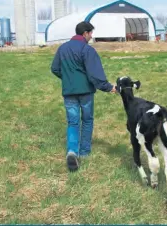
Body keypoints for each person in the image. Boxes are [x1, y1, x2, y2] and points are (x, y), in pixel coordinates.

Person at [51, 21, 116, 172]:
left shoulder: (62, 48)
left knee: (73, 123)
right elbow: (95, 75)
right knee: (87, 120)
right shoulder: (87, 50)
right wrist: (108, 87)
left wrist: (68, 78)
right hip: (86, 92)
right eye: (91, 33)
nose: (91, 36)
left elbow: (55, 68)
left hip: (69, 92)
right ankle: (84, 152)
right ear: (85, 33)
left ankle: (72, 151)